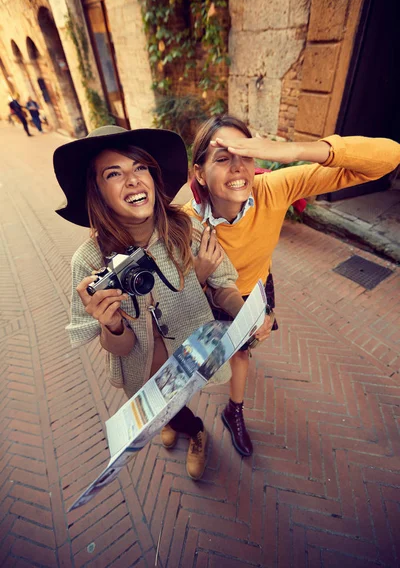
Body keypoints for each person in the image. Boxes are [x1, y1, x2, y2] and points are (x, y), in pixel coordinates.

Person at [184, 114, 400, 458]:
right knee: (206, 363)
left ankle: (233, 412)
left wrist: (286, 151)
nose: (238, 169)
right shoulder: (185, 223)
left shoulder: (273, 188)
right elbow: (172, 289)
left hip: (254, 289)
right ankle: (179, 419)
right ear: (199, 172)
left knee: (242, 352)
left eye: (247, 156)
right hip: (208, 296)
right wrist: (198, 273)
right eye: (223, 159)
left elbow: (389, 155)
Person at [53, 125, 261, 480]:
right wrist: (112, 324)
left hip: (190, 345)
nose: (132, 180)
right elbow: (119, 345)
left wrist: (247, 314)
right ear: (98, 190)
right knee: (157, 403)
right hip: (141, 361)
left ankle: (184, 425)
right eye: (114, 174)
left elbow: (223, 284)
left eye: (140, 168)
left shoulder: (186, 229)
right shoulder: (89, 262)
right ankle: (193, 428)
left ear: (153, 175)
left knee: (178, 395)